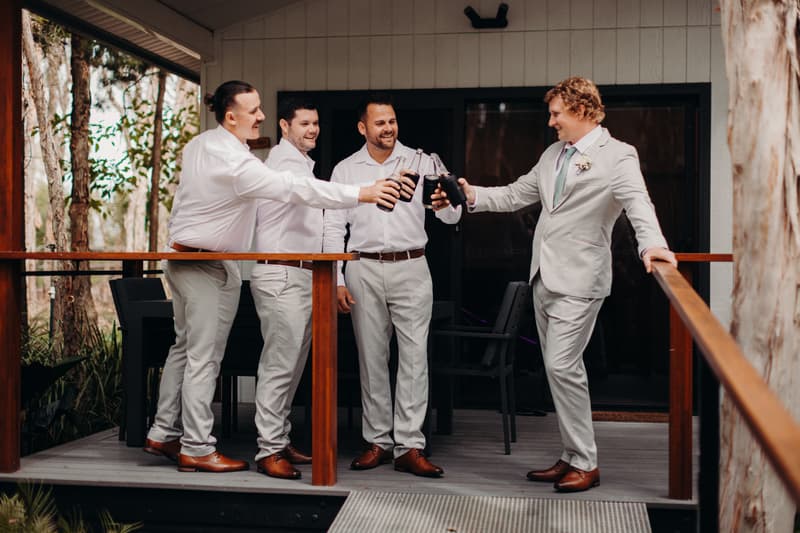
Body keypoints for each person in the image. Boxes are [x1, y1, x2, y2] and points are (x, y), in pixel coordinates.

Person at [143, 81, 399, 473]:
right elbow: (296, 189)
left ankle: (165, 432)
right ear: (232, 117)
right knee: (207, 359)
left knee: (187, 350)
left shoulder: (203, 145)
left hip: (191, 257)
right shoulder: (244, 163)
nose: (261, 116)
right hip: (213, 265)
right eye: (254, 111)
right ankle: (204, 447)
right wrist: (362, 193)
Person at [446, 77, 677, 492]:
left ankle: (586, 462)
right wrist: (470, 194)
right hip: (543, 277)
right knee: (559, 371)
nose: (550, 121)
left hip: (582, 280)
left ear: (582, 110)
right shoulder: (553, 153)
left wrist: (653, 245)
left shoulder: (618, 155)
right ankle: (571, 455)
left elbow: (638, 204)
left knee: (561, 365)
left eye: (556, 113)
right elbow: (515, 194)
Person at [323, 95, 461, 478]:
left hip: (412, 266)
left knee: (414, 360)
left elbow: (452, 217)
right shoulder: (346, 170)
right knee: (371, 359)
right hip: (363, 267)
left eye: (392, 121)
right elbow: (333, 227)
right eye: (380, 122)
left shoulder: (422, 161)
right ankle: (378, 441)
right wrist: (336, 279)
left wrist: (446, 204)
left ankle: (410, 446)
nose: (388, 128)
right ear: (362, 128)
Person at [249, 98, 326, 479]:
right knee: (279, 366)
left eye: (315, 123)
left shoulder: (301, 164)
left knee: (293, 367)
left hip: (303, 275)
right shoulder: (283, 165)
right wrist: (365, 192)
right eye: (304, 123)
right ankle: (268, 450)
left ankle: (279, 439)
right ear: (284, 126)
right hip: (280, 274)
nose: (312, 129)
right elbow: (318, 195)